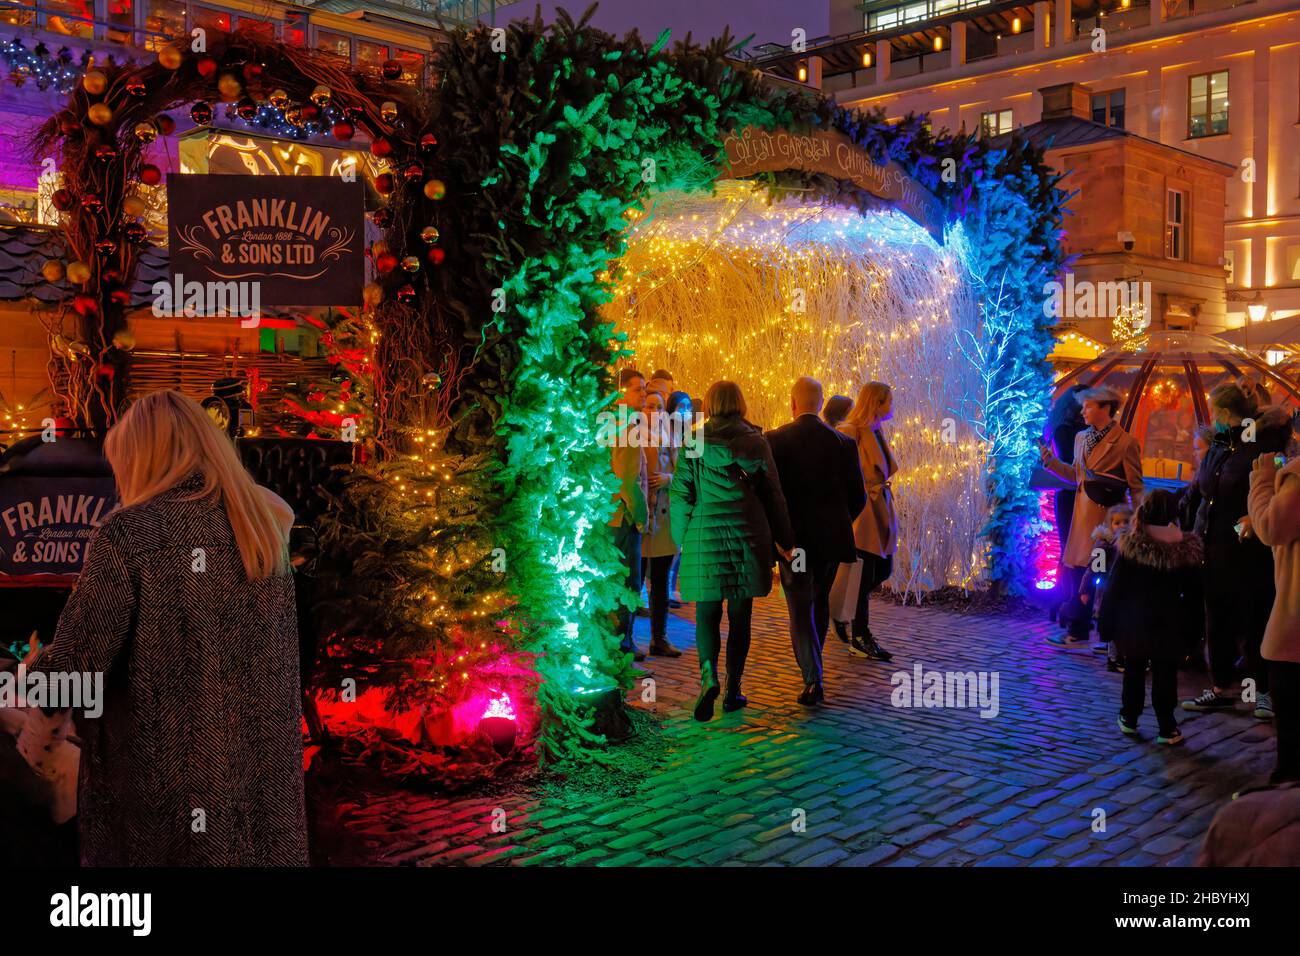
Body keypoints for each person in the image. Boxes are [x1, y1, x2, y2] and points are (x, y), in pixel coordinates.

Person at [19, 389, 306, 865]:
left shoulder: (130, 534)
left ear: (141, 459)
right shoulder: (260, 525)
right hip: (261, 785)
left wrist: (31, 673)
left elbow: (76, 672)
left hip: (161, 789)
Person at [671, 380, 794, 721]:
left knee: (706, 614)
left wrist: (682, 537)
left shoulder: (693, 440)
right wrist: (786, 541)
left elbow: (681, 493)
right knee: (741, 618)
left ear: (709, 404)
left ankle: (707, 675)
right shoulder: (757, 442)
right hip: (747, 535)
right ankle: (733, 689)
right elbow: (774, 495)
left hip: (704, 535)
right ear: (740, 403)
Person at [1182, 385, 1291, 717]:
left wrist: (1246, 522)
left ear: (1226, 413)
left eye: (1216, 411)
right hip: (1211, 547)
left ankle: (1262, 691)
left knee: (1253, 617)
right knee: (1217, 618)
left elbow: (1274, 486)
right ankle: (1220, 685)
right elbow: (1205, 485)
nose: (1212, 418)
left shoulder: (1264, 442)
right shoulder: (1221, 441)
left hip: (1245, 550)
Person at [766, 377, 866, 705]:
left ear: (793, 404)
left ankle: (812, 677)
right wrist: (840, 522)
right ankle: (815, 664)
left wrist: (779, 536)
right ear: (820, 403)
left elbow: (771, 495)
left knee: (798, 602)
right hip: (829, 539)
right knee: (819, 598)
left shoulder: (776, 440)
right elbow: (858, 497)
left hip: (794, 542)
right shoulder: (842, 443)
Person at [1040, 384, 1144, 650]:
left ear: (1105, 407)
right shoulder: (1080, 438)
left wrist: (1137, 519)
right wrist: (1050, 462)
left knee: (1103, 574)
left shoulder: (1126, 443)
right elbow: (1077, 475)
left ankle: (1107, 638)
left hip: (1107, 519)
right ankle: (1079, 632)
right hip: (1082, 514)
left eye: (1088, 405)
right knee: (1078, 572)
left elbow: (1136, 485)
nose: (1082, 410)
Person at [1099, 490, 1205, 747]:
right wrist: (1194, 632)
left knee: (1134, 670)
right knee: (1165, 674)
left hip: (1133, 621)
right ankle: (1167, 726)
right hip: (1169, 622)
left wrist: (1106, 622)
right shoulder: (1184, 548)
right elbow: (1193, 596)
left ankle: (1129, 717)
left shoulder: (1131, 545)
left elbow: (1115, 587)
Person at [1247, 447, 1300, 783]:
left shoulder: (1297, 476)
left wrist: (1263, 480)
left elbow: (1270, 526)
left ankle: (1287, 786)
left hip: (1295, 623)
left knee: (1292, 712)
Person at [838, 382, 900, 661]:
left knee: (882, 569)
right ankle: (859, 634)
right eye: (888, 401)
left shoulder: (875, 430)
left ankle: (846, 613)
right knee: (867, 571)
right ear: (876, 403)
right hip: (864, 511)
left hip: (879, 505)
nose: (892, 407)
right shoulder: (852, 432)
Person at [608, 367, 651, 661]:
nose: (644, 394)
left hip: (609, 515)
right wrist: (641, 516)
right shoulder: (626, 429)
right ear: (621, 392)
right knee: (628, 582)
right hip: (622, 517)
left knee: (617, 579)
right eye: (638, 389)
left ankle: (617, 642)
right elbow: (628, 480)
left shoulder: (611, 424)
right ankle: (622, 644)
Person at [640, 388, 682, 658]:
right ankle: (626, 639)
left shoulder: (674, 437)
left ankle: (659, 637)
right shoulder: (632, 436)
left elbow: (686, 474)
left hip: (665, 517)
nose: (654, 411)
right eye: (649, 406)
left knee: (661, 580)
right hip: (643, 515)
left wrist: (668, 479)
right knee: (633, 580)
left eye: (658, 407)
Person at [1079, 503, 1132, 670]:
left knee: (1123, 625)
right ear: (1110, 525)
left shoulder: (1132, 543)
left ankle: (1118, 655)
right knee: (1114, 625)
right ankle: (1114, 659)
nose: (1122, 526)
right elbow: (1093, 568)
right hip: (1108, 591)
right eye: (1117, 523)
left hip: (1126, 593)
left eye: (1126, 522)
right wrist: (1085, 589)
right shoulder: (1106, 545)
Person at [665, 390, 694, 607]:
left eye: (688, 408)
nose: (685, 412)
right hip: (667, 500)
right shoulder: (664, 435)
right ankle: (660, 591)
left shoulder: (689, 438)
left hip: (682, 500)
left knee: (677, 549)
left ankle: (670, 589)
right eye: (680, 407)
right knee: (668, 548)